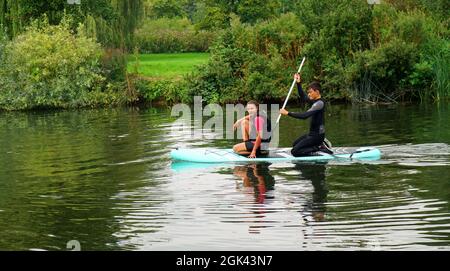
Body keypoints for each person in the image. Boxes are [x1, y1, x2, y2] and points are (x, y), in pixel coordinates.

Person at [280, 74, 327, 157]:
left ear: (317, 92)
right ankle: (319, 145)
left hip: (317, 136)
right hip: (312, 134)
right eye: (308, 92)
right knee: (295, 144)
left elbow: (304, 116)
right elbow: (303, 96)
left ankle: (317, 147)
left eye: (310, 92)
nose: (308, 94)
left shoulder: (320, 103)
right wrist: (298, 83)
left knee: (294, 151)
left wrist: (288, 113)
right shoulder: (315, 100)